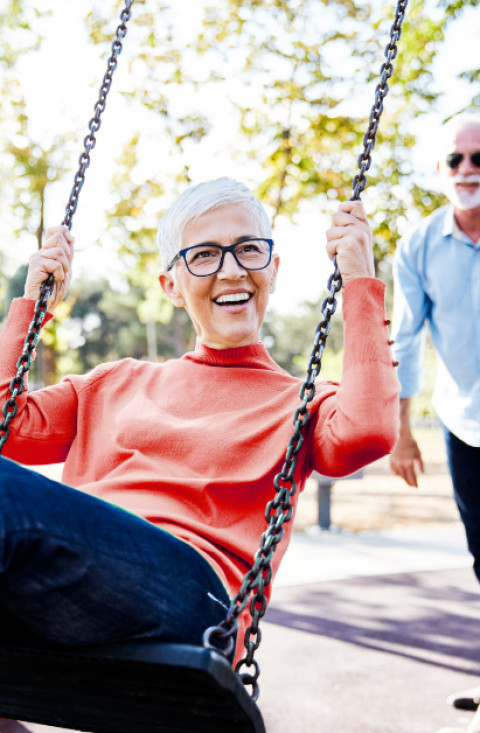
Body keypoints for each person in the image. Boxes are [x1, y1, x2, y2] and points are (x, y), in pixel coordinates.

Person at [0, 177, 399, 730]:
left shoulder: (300, 400)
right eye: (205, 255)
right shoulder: (114, 382)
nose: (232, 270)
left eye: (248, 249)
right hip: (77, 578)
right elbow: (5, 425)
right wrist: (31, 304)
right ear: (171, 284)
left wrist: (359, 280)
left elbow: (368, 433)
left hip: (190, 595)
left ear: (274, 270)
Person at [389, 114, 480, 733]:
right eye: (456, 160)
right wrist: (401, 428)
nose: (468, 171)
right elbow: (405, 337)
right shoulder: (418, 245)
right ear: (440, 170)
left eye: (479, 158)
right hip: (466, 422)